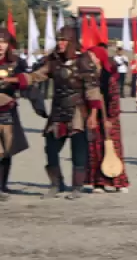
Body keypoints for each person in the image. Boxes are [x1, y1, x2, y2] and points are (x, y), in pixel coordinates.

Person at [8, 26, 103, 198]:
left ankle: (77, 187)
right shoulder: (54, 61)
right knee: (51, 148)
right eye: (59, 39)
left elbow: (92, 89)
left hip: (77, 112)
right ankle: (56, 184)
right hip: (58, 111)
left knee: (78, 150)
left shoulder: (83, 60)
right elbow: (36, 76)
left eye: (64, 40)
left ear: (71, 41)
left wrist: (93, 114)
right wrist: (11, 79)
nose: (60, 43)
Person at [87, 39, 130, 194]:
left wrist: (111, 119)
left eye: (91, 56)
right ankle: (98, 182)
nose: (89, 59)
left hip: (109, 120)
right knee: (95, 150)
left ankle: (119, 182)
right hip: (94, 118)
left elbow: (114, 100)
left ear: (99, 58)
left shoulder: (109, 78)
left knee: (113, 149)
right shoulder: (89, 77)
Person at [0, 31, 32, 197]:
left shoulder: (16, 62)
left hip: (7, 110)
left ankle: (3, 185)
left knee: (7, 149)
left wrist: (11, 80)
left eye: (4, 42)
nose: (1, 45)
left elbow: (26, 80)